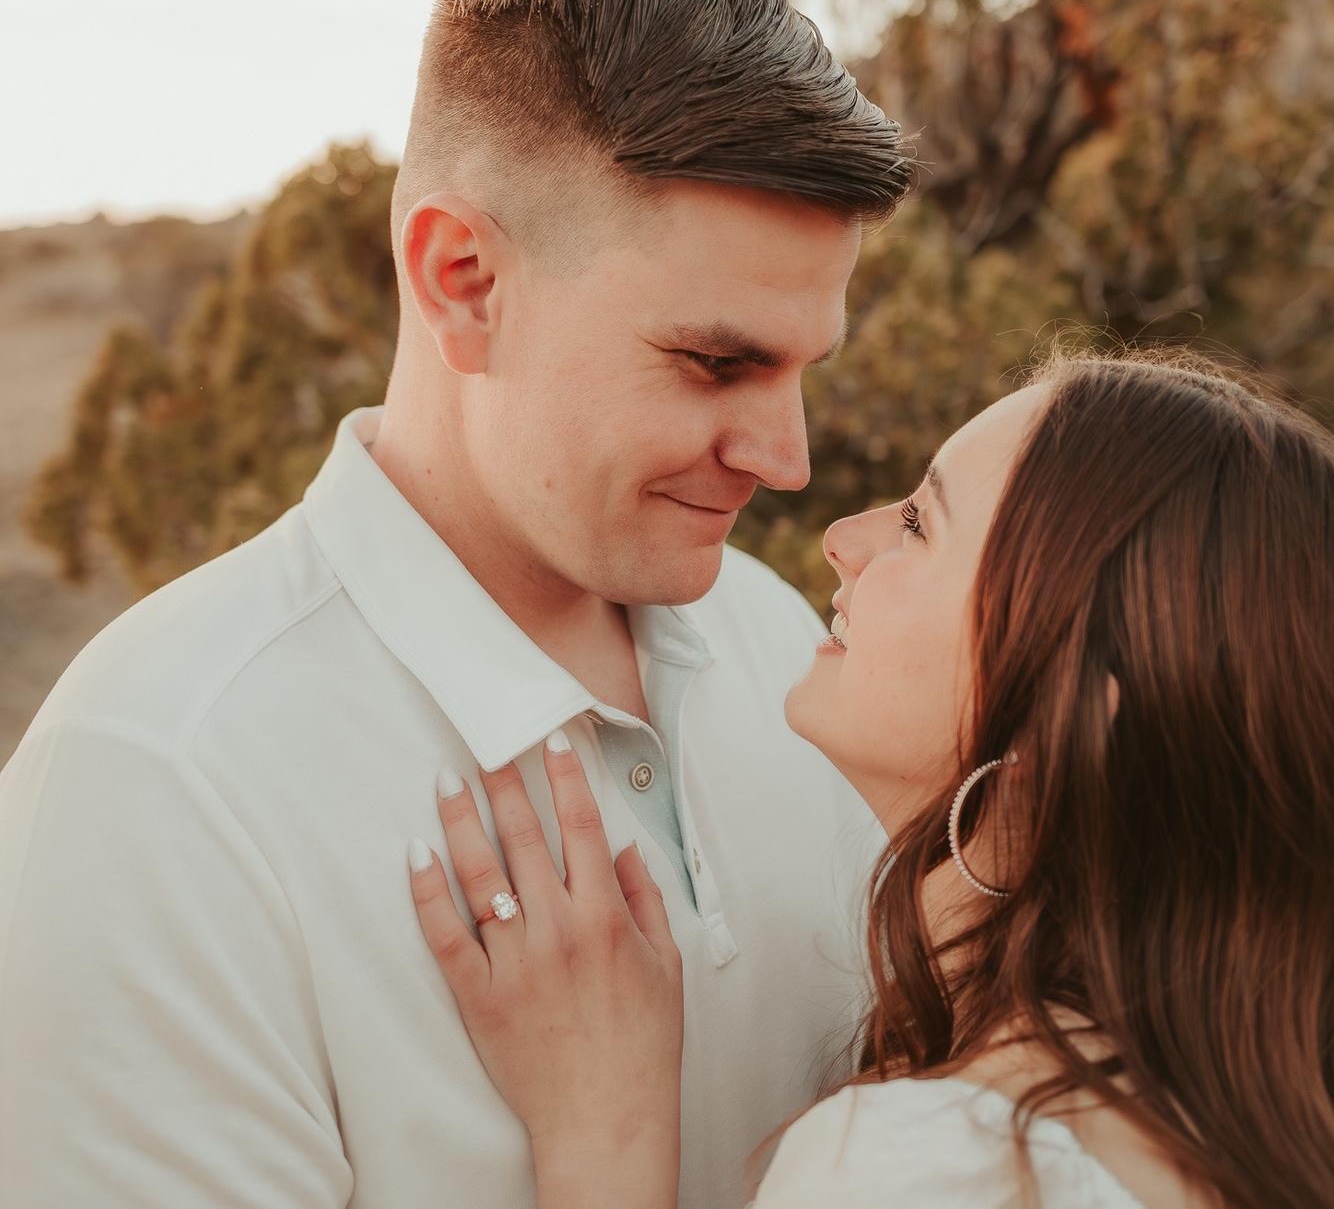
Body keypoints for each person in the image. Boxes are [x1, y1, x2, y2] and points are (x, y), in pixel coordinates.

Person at [0, 0, 913, 1209]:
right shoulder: (157, 793)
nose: (788, 458)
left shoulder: (794, 655)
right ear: (461, 278)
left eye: (802, 368)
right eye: (718, 362)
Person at [409, 350, 1334, 1209]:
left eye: (921, 524)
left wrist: (606, 1138)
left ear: (1060, 728)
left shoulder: (940, 1167)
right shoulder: (1242, 1120)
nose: (845, 537)